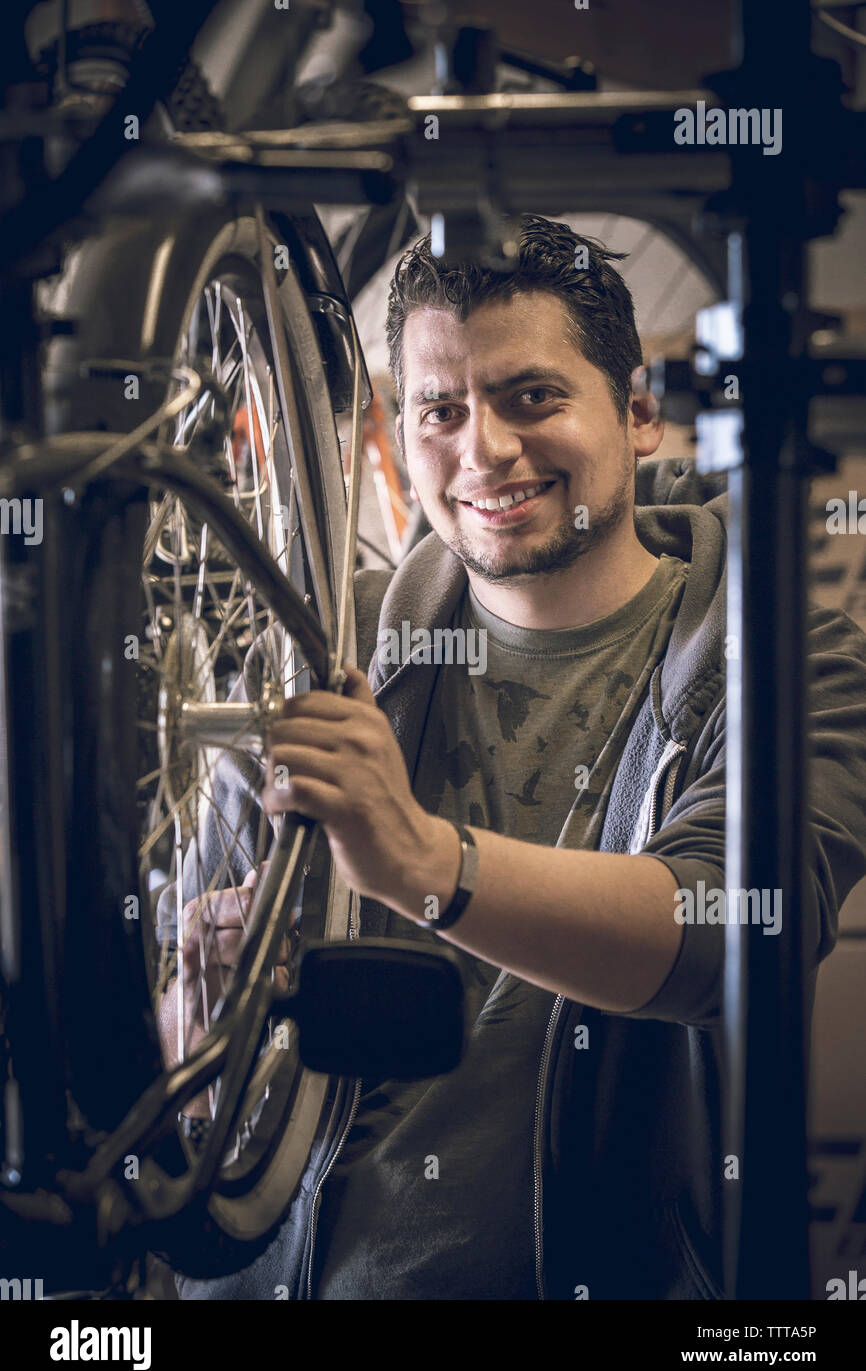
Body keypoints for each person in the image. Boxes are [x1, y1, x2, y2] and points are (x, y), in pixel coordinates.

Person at [161, 215, 866, 1300]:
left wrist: (427, 866)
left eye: (531, 396)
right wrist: (207, 1012)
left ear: (636, 415)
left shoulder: (784, 661)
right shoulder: (317, 650)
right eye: (440, 411)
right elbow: (178, 1032)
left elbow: (732, 945)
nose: (481, 450)